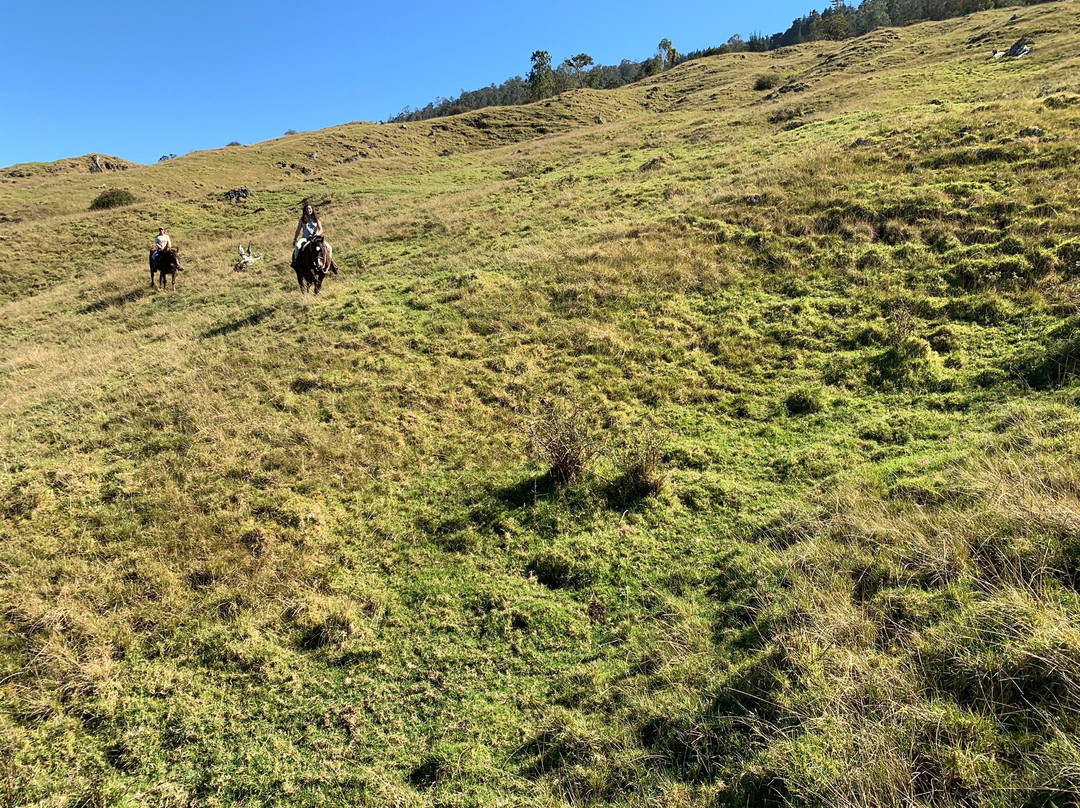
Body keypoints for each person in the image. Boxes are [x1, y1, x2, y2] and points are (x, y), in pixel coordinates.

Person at [291, 203, 333, 269]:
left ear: (312, 209)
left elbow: (321, 229)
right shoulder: (302, 219)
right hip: (305, 238)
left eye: (310, 209)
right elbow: (298, 230)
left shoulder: (316, 218)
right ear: (305, 210)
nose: (309, 210)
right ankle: (295, 262)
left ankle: (329, 264)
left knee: (329, 248)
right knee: (298, 246)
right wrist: (295, 239)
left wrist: (317, 234)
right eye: (307, 209)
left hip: (316, 238)